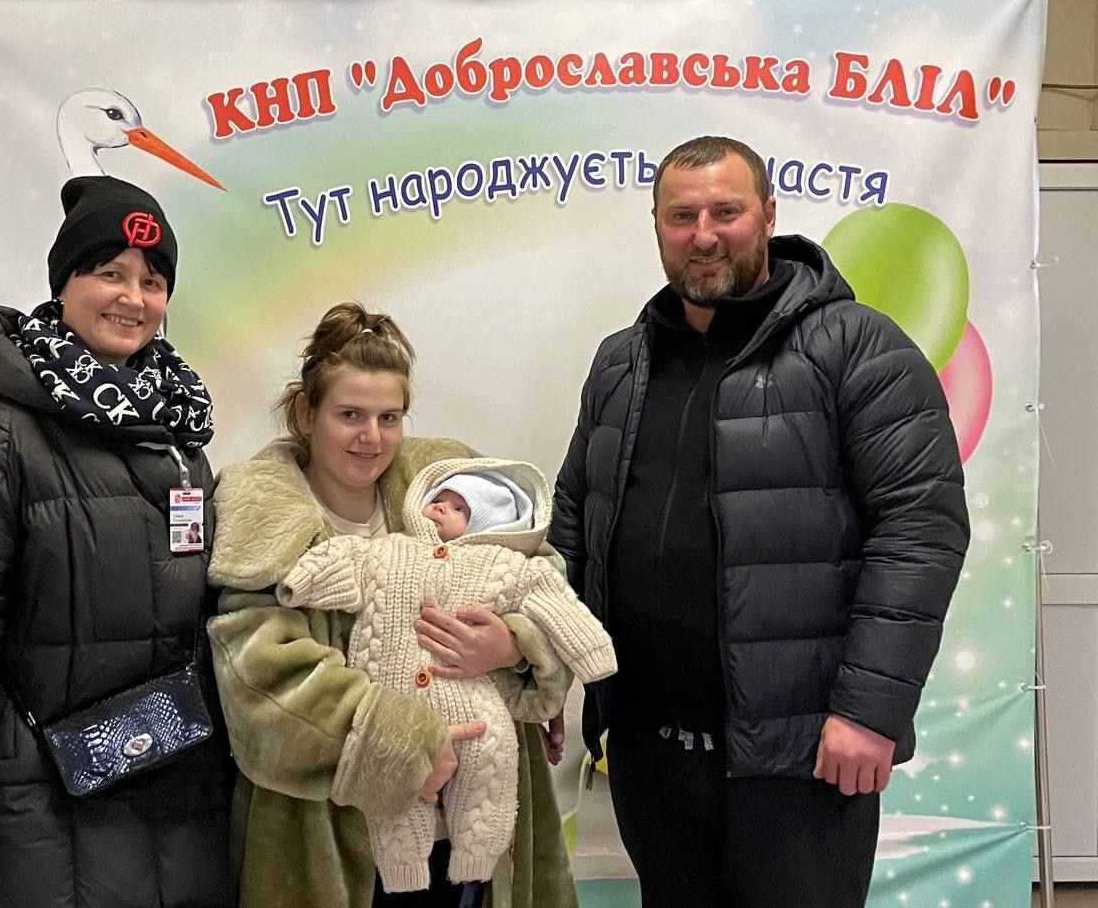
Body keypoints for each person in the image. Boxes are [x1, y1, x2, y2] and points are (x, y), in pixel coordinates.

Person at [549, 135, 970, 908]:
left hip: (799, 758)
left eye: (726, 212)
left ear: (768, 216)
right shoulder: (620, 363)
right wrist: (543, 678)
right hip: (649, 755)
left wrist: (869, 713)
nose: (704, 234)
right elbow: (575, 527)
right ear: (656, 225)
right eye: (682, 216)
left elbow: (920, 531)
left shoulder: (857, 347)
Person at [0, 176, 231, 908]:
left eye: (152, 282)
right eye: (110, 272)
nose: (133, 297)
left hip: (177, 801)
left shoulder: (176, 432)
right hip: (37, 815)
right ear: (65, 282)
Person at [206, 303, 579, 908]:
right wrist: (405, 748)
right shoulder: (265, 518)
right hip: (335, 840)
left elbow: (541, 582)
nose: (371, 438)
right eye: (349, 415)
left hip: (470, 833)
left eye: (389, 417)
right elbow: (261, 683)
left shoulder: (450, 492)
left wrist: (514, 646)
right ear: (306, 413)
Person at [275, 458, 616, 892]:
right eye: (439, 499)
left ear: (487, 527)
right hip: (395, 709)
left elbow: (559, 605)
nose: (440, 508)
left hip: (474, 704)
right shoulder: (390, 549)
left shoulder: (505, 565)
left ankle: (477, 859)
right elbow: (345, 557)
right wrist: (301, 582)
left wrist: (594, 658)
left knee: (491, 762)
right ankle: (402, 869)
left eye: (460, 508)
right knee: (399, 795)